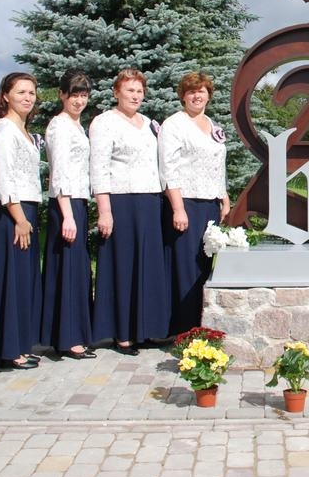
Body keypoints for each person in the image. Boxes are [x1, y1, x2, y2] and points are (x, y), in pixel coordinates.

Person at [90, 68, 168, 354]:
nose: (135, 96)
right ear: (116, 92)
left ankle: (143, 329)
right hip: (120, 202)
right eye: (129, 90)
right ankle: (122, 333)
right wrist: (105, 210)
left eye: (139, 91)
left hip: (149, 201)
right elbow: (98, 168)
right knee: (123, 268)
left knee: (147, 266)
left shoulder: (149, 123)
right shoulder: (104, 122)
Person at [159, 72, 230, 336]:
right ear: (183, 96)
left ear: (209, 95)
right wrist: (177, 207)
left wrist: (223, 196)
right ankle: (184, 330)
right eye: (191, 92)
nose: (197, 96)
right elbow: (168, 169)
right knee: (185, 268)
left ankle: (203, 325)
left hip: (210, 204)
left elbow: (217, 164)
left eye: (201, 91)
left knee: (205, 265)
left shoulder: (212, 124)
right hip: (186, 203)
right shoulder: (174, 124)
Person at [0, 72, 43, 369]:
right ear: (5, 95)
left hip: (26, 210)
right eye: (21, 92)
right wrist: (19, 218)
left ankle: (19, 343)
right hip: (12, 213)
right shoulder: (5, 129)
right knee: (11, 281)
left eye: (31, 92)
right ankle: (9, 350)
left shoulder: (23, 128)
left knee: (23, 282)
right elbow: (4, 177)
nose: (27, 97)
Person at [40, 69, 96, 359]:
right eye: (74, 95)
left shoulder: (76, 125)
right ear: (62, 95)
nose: (79, 101)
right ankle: (67, 338)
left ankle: (73, 333)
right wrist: (68, 214)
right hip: (66, 203)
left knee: (77, 270)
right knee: (67, 270)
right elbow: (58, 172)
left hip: (77, 202)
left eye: (84, 95)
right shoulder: (59, 126)